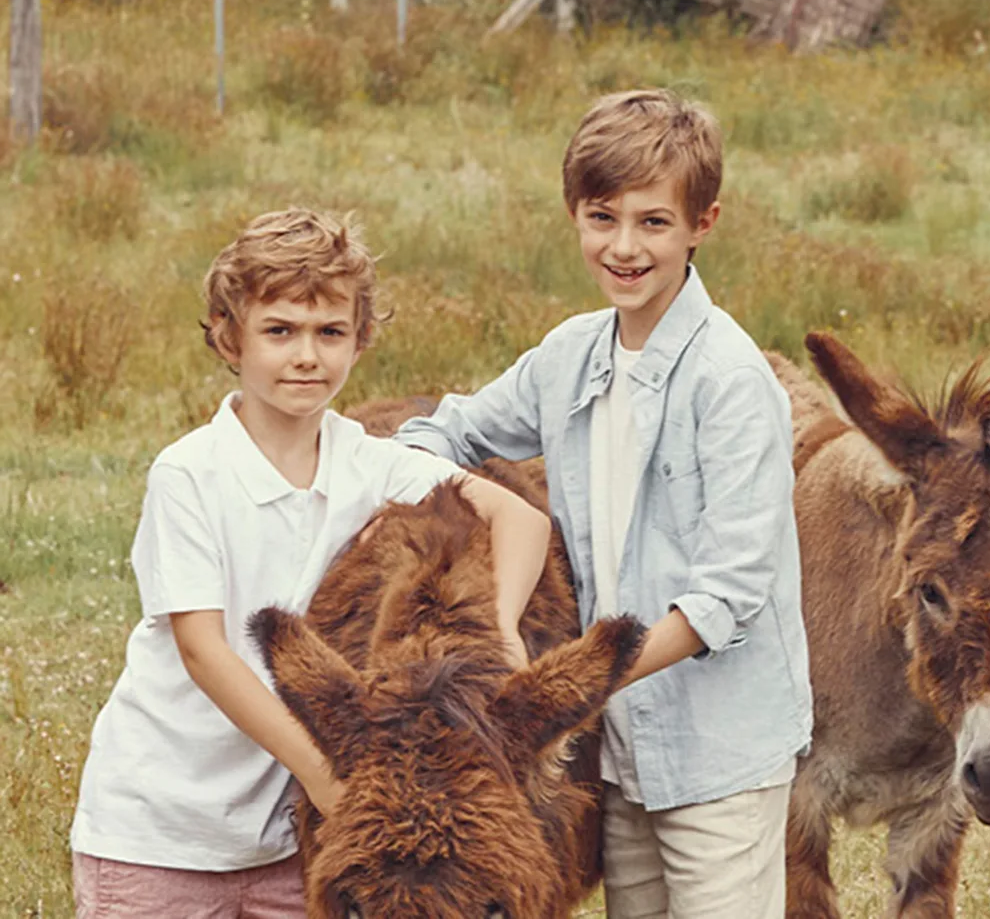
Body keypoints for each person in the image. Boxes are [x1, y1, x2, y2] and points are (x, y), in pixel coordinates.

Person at [391, 89, 811, 919]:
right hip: (616, 747)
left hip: (716, 749)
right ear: (574, 216)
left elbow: (728, 593)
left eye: (654, 222)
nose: (624, 247)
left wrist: (565, 687)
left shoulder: (730, 382)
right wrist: (496, 534)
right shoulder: (569, 356)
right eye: (601, 217)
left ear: (704, 223)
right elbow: (434, 435)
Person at [68, 208, 553, 919]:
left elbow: (521, 518)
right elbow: (204, 652)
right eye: (280, 331)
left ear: (360, 341)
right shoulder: (190, 474)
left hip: (285, 839)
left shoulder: (368, 460)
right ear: (230, 338)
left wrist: (504, 634)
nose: (306, 356)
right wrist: (330, 779)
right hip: (162, 827)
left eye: (330, 333)